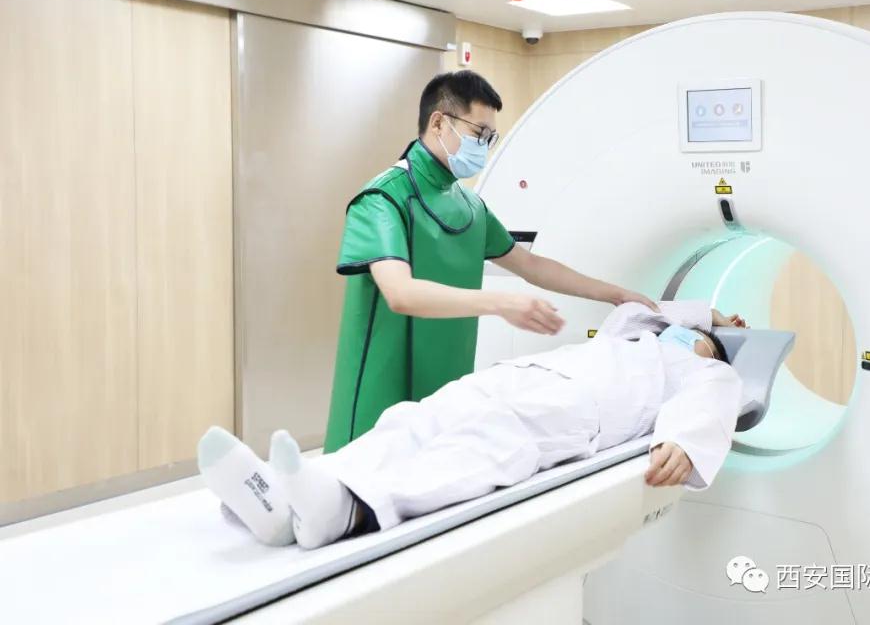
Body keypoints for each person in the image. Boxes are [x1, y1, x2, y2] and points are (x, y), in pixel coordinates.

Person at [198, 300, 748, 549]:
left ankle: (345, 509)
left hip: (583, 407)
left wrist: (681, 441)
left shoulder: (701, 370)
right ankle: (288, 498)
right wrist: (711, 316)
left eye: (701, 340)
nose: (690, 339)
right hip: (526, 374)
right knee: (416, 418)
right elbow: (643, 308)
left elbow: (712, 402)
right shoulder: (628, 331)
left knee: (486, 444)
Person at [325, 70, 657, 453]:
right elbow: (400, 294)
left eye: (490, 138)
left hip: (445, 386)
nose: (483, 146)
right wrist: (501, 303)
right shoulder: (382, 199)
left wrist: (616, 294)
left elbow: (531, 266)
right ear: (439, 122)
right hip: (380, 388)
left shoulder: (470, 206)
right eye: (478, 133)